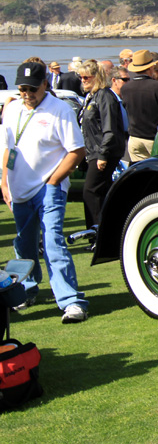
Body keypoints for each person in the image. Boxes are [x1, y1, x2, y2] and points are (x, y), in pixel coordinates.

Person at [0, 61, 88, 323]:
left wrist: (53, 181)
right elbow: (8, 148)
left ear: (45, 85)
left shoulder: (59, 109)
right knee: (23, 245)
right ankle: (27, 290)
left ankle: (72, 302)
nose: (27, 93)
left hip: (49, 187)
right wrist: (4, 181)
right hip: (19, 189)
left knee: (52, 242)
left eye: (33, 88)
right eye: (23, 88)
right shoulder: (12, 107)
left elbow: (77, 151)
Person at [77, 59, 127, 231]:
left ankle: (97, 232)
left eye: (86, 77)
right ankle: (102, 231)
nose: (83, 80)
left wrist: (103, 155)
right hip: (93, 151)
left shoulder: (104, 96)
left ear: (95, 77)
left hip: (102, 151)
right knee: (100, 190)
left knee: (91, 191)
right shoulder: (91, 97)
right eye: (81, 77)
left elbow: (110, 128)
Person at [120, 49, 158, 162]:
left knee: (141, 174)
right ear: (151, 67)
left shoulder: (125, 88)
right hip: (154, 138)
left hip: (135, 138)